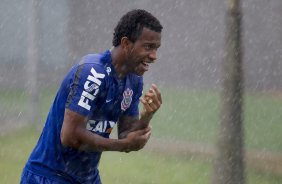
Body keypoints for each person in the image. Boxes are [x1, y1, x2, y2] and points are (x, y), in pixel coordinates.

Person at [20, 9, 163, 184]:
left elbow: (127, 134)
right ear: (126, 43)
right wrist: (122, 146)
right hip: (49, 176)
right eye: (148, 47)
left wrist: (147, 116)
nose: (154, 56)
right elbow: (70, 136)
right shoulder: (93, 72)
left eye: (156, 49)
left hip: (87, 179)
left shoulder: (133, 80)